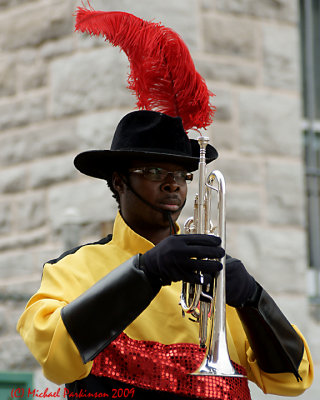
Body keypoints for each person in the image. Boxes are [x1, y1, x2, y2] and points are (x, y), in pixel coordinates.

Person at [17, 110, 313, 399]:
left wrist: (253, 299)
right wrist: (146, 272)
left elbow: (292, 380)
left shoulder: (213, 275)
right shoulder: (72, 268)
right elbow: (56, 360)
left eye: (181, 175)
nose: (173, 184)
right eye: (154, 172)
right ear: (119, 182)